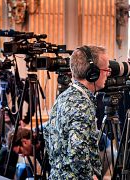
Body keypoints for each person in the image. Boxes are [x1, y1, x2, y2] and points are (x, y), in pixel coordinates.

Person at [44, 45, 110, 179]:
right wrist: (90, 176)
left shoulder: (64, 96)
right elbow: (77, 150)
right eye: (106, 69)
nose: (108, 73)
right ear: (93, 73)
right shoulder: (81, 103)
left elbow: (47, 135)